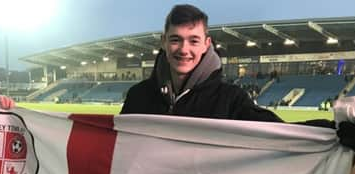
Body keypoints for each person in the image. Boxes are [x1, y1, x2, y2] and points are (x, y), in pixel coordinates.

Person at [120, 4, 281, 121]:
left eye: (194, 41)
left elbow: (283, 135)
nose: (184, 49)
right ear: (164, 42)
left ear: (206, 44)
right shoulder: (138, 96)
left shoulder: (231, 100)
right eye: (175, 40)